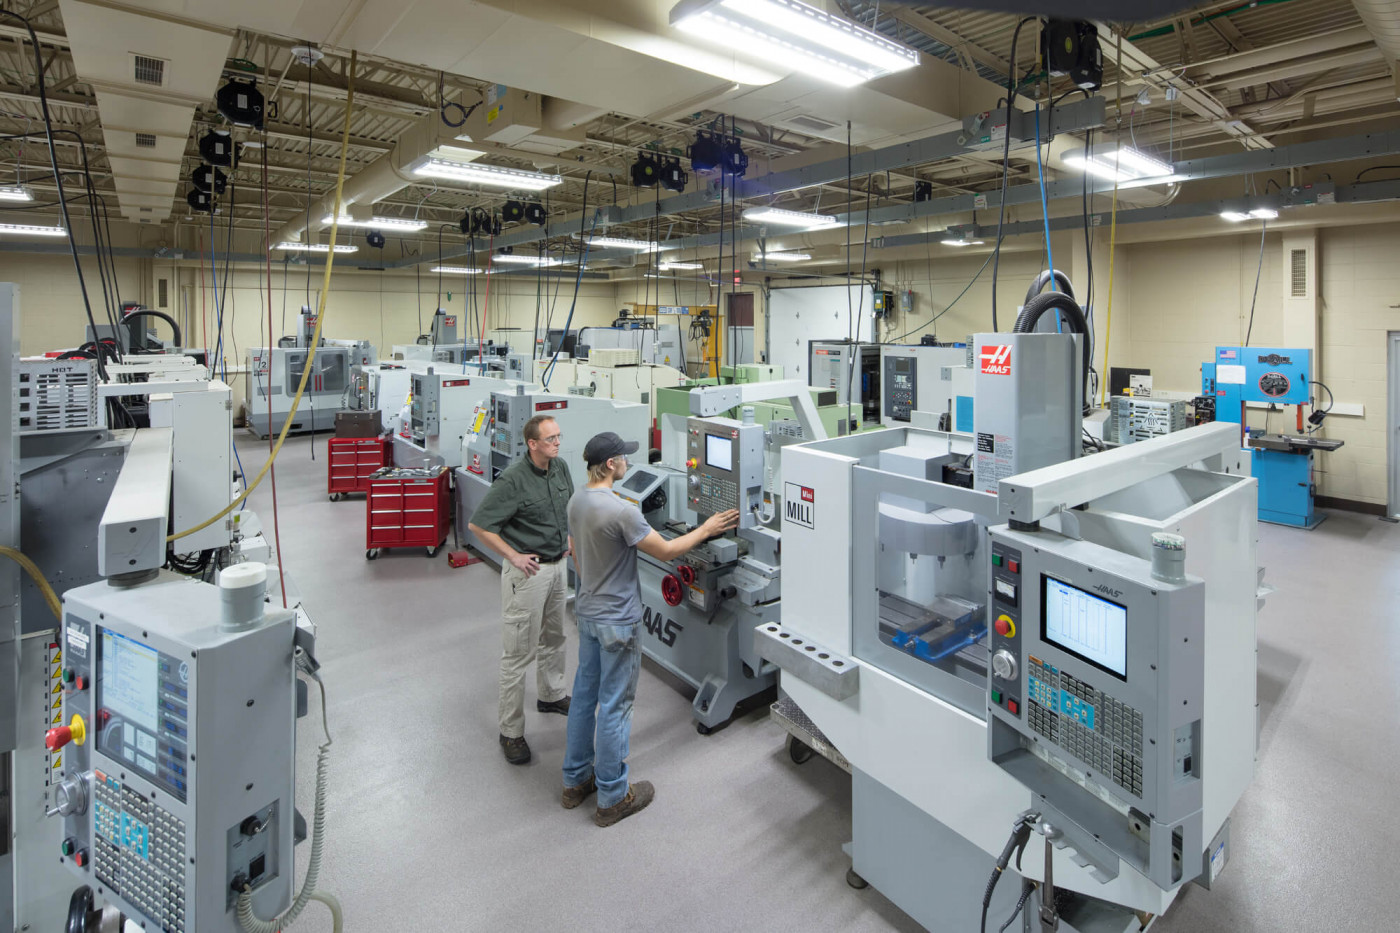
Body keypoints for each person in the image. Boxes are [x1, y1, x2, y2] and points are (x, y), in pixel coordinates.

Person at [561, 431, 739, 826]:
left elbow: (575, 548)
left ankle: (575, 781)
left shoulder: (577, 499)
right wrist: (708, 528)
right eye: (623, 456)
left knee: (586, 698)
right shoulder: (622, 510)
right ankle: (612, 796)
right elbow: (669, 550)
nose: (628, 461)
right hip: (618, 622)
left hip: (588, 613)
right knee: (616, 706)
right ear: (611, 465)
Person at [467, 414, 574, 765]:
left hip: (558, 568)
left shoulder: (560, 469)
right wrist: (513, 555)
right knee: (517, 654)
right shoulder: (512, 480)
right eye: (550, 439)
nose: (557, 443)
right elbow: (479, 525)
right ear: (532, 444)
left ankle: (551, 693)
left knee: (555, 637)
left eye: (558, 436)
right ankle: (510, 732)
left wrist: (568, 539)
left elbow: (567, 508)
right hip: (528, 575)